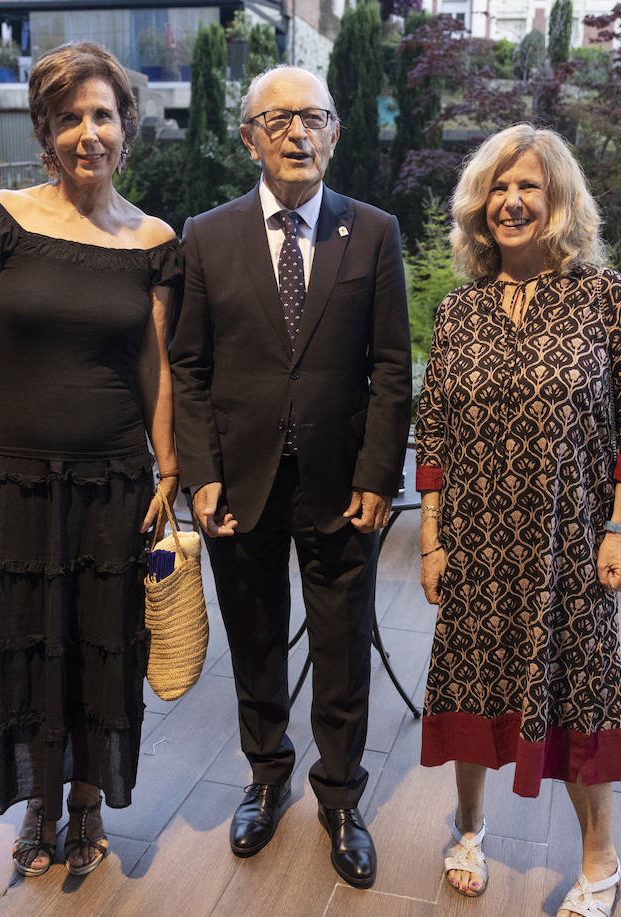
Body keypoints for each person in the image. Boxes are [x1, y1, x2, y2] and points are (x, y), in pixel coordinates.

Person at [0, 41, 180, 880]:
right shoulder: (0, 217)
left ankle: (85, 802)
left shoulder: (154, 239)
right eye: (70, 117)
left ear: (126, 128)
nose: (89, 133)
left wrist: (171, 471)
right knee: (23, 636)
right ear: (46, 130)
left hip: (116, 479)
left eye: (103, 115)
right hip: (13, 477)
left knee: (100, 637)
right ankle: (39, 799)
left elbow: (155, 367)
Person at [170, 65, 411, 890]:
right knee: (255, 638)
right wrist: (198, 474)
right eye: (277, 120)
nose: (297, 133)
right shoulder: (206, 236)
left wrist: (382, 472)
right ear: (249, 138)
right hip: (240, 482)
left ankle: (341, 798)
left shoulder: (374, 233)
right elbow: (190, 368)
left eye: (313, 118)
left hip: (344, 484)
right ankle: (266, 774)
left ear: (336, 132)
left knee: (343, 645)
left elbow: (389, 368)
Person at [415, 123, 621, 916]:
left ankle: (601, 860)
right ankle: (470, 826)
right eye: (497, 187)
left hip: (570, 542)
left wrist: (620, 528)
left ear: (558, 200)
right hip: (477, 544)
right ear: (478, 206)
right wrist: (431, 538)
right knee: (473, 681)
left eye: (528, 186)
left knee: (582, 694)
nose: (511, 201)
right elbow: (435, 436)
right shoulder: (458, 313)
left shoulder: (604, 295)